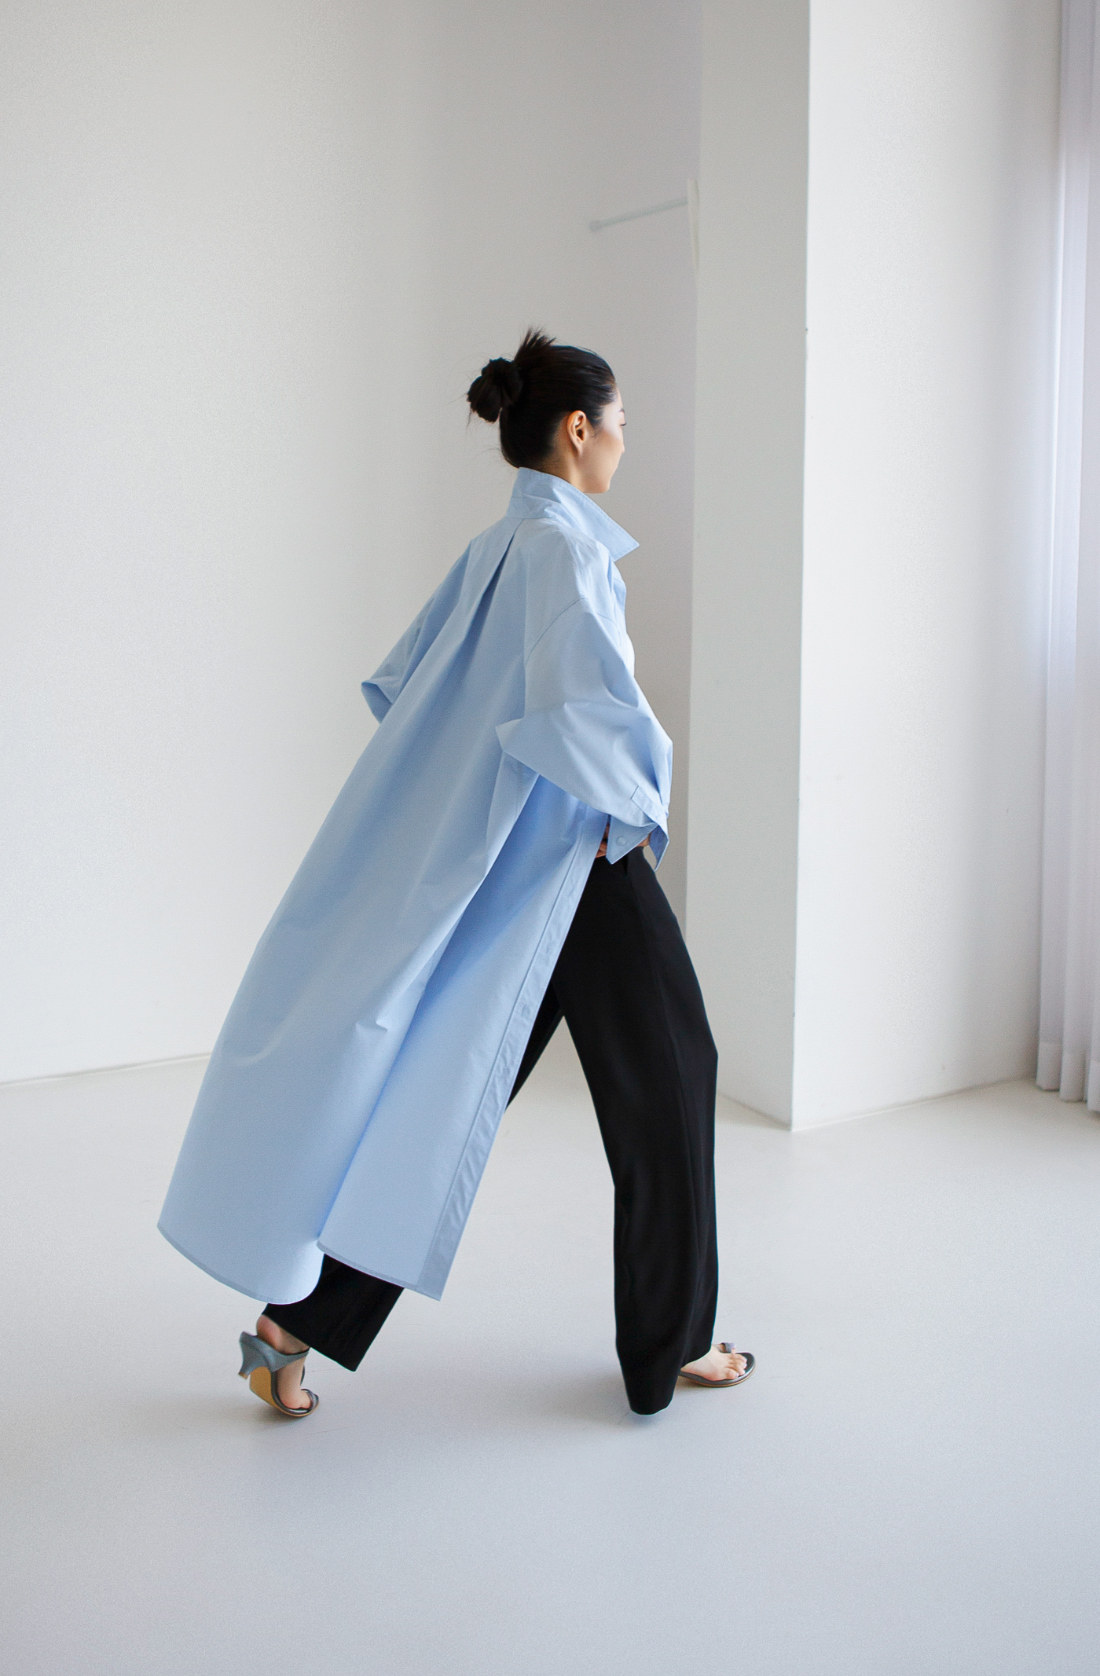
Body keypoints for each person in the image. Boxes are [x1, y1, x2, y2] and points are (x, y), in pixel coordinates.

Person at [160, 327, 754, 1418]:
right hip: (581, 854)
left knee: (442, 1088)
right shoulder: (565, 551)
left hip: (513, 863)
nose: (625, 442)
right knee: (674, 1072)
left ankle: (292, 1326)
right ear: (577, 429)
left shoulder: (497, 547)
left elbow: (410, 690)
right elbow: (587, 710)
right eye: (620, 424)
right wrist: (641, 803)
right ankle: (671, 1344)